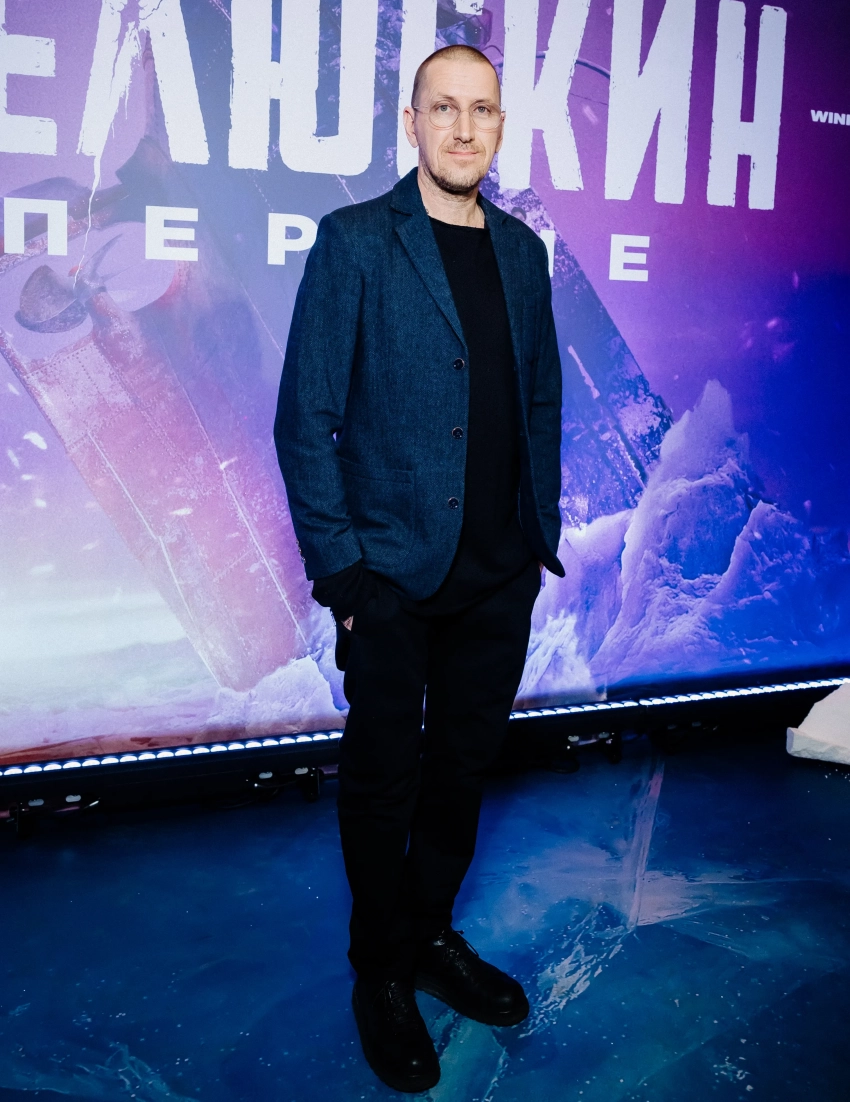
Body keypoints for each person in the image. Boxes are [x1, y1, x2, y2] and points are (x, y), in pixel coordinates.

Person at [274, 43, 564, 1093]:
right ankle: (380, 973)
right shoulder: (356, 241)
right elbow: (303, 419)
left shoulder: (523, 253)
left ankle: (431, 933)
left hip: (498, 577)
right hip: (391, 581)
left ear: (499, 126)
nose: (463, 128)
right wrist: (346, 578)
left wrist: (535, 534)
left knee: (461, 773)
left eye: (481, 110)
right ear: (412, 123)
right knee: (384, 784)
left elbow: (540, 399)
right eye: (443, 108)